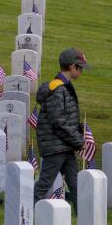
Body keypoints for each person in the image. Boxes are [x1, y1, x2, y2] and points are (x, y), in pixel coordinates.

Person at [32, 47, 89, 205]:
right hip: (55, 148)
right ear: (72, 67)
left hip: (65, 146)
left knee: (76, 185)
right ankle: (26, 215)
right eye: (80, 68)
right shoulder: (57, 90)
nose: (82, 71)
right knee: (44, 185)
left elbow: (66, 118)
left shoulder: (64, 87)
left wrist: (78, 132)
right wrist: (79, 141)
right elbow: (59, 123)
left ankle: (83, 218)